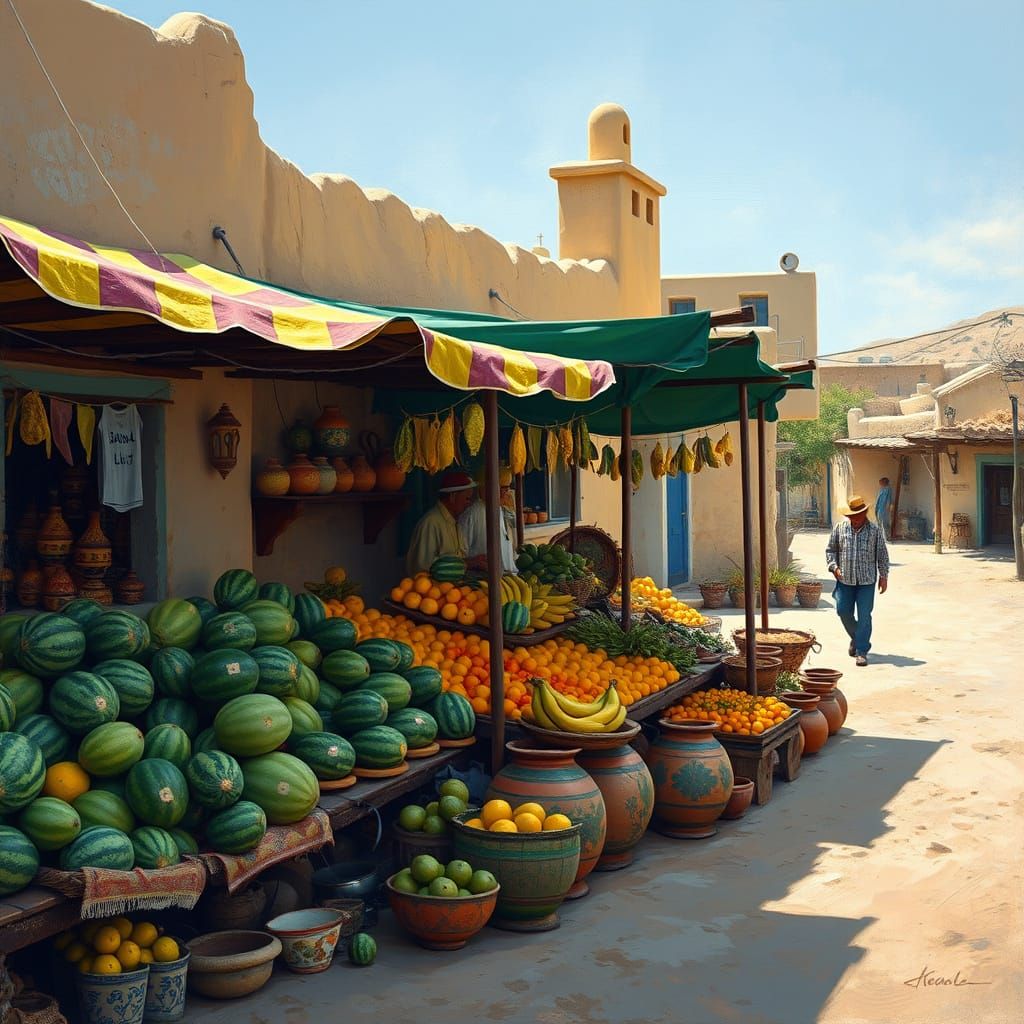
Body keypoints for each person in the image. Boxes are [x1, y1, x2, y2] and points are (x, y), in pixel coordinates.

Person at [825, 494, 890, 667]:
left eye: (858, 516)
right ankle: (857, 637)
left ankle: (861, 651)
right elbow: (831, 550)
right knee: (842, 611)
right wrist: (834, 567)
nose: (854, 519)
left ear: (865, 513)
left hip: (866, 581)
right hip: (844, 579)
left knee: (864, 616)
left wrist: (884, 576)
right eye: (851, 516)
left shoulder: (875, 531)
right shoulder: (840, 528)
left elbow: (882, 555)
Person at [405, 471, 476, 576]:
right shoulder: (431, 523)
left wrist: (473, 561)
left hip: (454, 591)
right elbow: (422, 569)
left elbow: (459, 558)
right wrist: (468, 563)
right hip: (435, 591)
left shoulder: (454, 522)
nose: (469, 504)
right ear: (453, 496)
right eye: (467, 499)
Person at [460, 466, 518, 574]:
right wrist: (474, 563)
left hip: (506, 577)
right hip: (483, 580)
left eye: (507, 488)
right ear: (485, 488)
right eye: (501, 488)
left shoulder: (500, 509)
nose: (505, 493)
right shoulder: (472, 514)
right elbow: (461, 555)